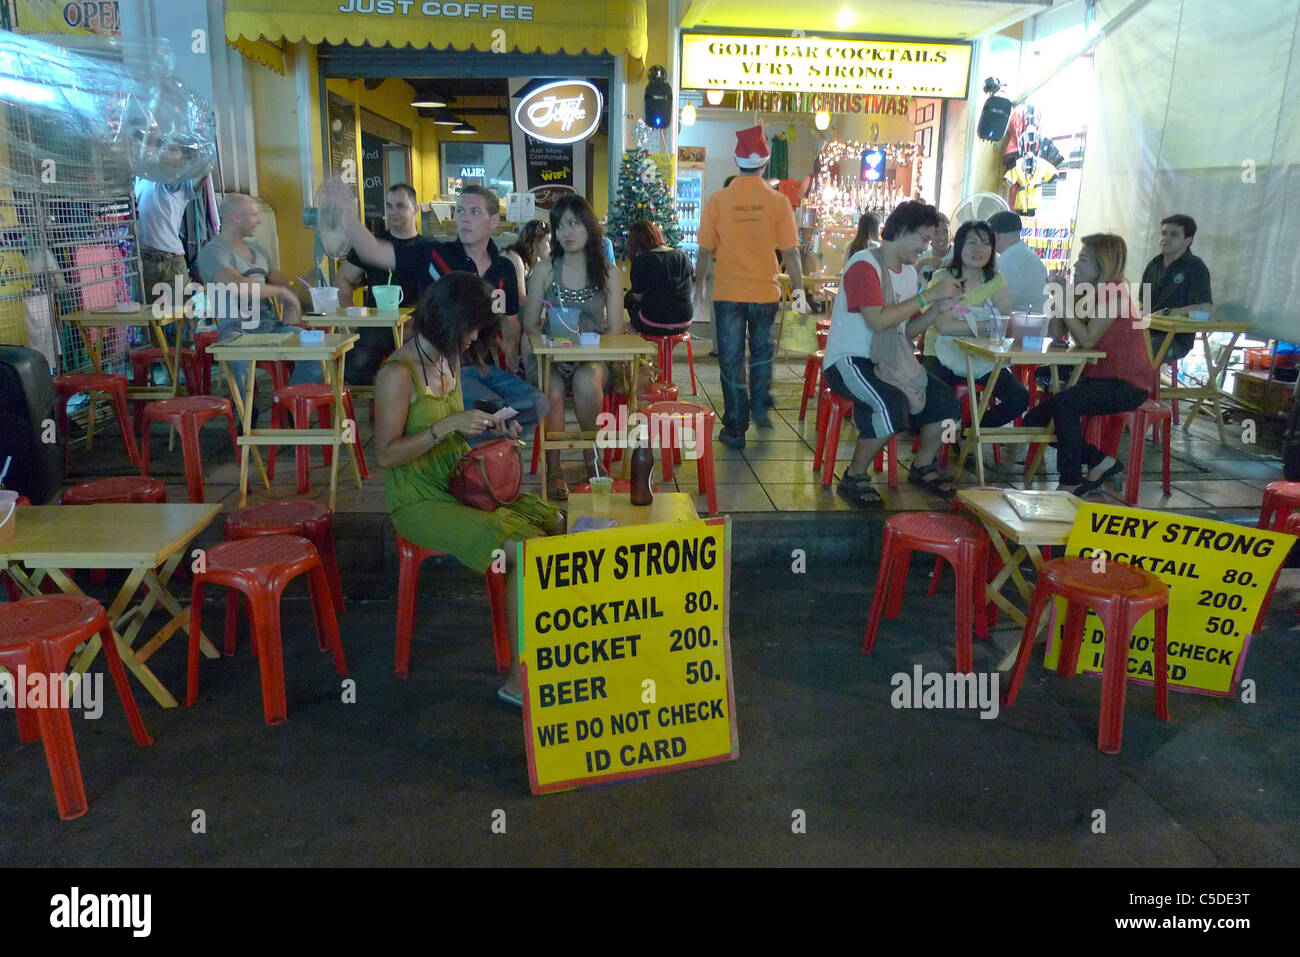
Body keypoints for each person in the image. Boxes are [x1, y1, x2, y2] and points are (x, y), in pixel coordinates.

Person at [372, 272, 562, 706]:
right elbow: (385, 455)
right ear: (446, 320)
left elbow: (455, 430)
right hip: (417, 501)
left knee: (555, 522)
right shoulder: (397, 374)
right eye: (471, 326)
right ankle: (519, 681)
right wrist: (448, 425)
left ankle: (547, 653)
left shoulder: (449, 358)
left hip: (457, 482)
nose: (475, 335)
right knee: (527, 550)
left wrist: (492, 424)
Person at [334, 183, 549, 448]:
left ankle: (474, 447)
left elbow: (510, 322)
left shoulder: (503, 268)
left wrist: (513, 359)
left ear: (494, 220)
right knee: (491, 410)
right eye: (460, 211)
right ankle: (470, 451)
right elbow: (373, 252)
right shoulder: (434, 255)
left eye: (474, 212)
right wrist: (345, 215)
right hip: (440, 369)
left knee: (536, 402)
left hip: (483, 364)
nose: (464, 218)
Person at [822, 200, 963, 507]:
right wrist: (928, 296)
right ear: (900, 231)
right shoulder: (864, 264)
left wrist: (936, 308)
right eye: (923, 238)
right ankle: (854, 476)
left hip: (890, 360)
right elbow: (878, 320)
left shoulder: (909, 274)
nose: (925, 246)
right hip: (850, 360)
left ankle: (923, 466)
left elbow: (905, 332)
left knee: (946, 403)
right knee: (890, 406)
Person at [694, 125, 804, 449]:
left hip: (727, 291)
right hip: (765, 292)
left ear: (735, 160)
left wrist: (698, 286)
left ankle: (736, 426)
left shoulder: (719, 200)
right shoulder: (778, 201)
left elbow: (703, 252)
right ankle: (758, 405)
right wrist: (799, 291)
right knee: (760, 353)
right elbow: (791, 253)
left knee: (730, 359)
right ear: (766, 161)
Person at [1022, 234, 1153, 495]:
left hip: (1127, 384)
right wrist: (1058, 298)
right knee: (1034, 420)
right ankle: (1099, 460)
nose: (1075, 265)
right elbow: (1055, 333)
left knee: (1064, 405)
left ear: (1101, 265)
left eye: (1083, 260)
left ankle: (1070, 479)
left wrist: (1063, 302)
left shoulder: (1114, 293)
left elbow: (1087, 338)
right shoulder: (1088, 293)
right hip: (1097, 378)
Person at [521, 194, 624, 499]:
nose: (566, 232)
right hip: (550, 356)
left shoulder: (608, 274)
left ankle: (590, 455)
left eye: (574, 223)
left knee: (586, 380)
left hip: (592, 357)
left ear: (589, 227)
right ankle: (553, 468)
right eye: (560, 225)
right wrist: (552, 342)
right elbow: (529, 325)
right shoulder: (545, 270)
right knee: (551, 389)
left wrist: (586, 347)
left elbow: (616, 331)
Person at [196, 194, 322, 393]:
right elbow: (238, 285)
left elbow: (275, 277)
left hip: (269, 325)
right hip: (236, 329)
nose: (259, 219)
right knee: (240, 369)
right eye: (254, 215)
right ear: (236, 218)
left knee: (314, 347)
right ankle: (246, 417)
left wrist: (294, 292)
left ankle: (291, 405)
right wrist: (283, 293)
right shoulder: (213, 252)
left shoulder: (257, 249)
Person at [922, 220, 1028, 430]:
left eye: (985, 243)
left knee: (1019, 398)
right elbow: (944, 327)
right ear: (959, 246)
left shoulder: (996, 280)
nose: (978, 249)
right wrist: (988, 325)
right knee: (944, 403)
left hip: (982, 357)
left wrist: (968, 323)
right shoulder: (942, 278)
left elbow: (1006, 325)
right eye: (971, 243)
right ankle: (939, 450)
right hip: (939, 355)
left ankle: (970, 434)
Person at [334, 184, 431, 385]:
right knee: (353, 372)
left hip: (416, 323)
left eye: (401, 206)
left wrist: (421, 321)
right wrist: (350, 319)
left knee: (428, 366)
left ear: (415, 209)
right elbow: (342, 279)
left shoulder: (429, 249)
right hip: (377, 323)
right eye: (389, 206)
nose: (393, 211)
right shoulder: (369, 245)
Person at [135, 144, 210, 308]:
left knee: (182, 314)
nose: (164, 149)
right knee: (150, 318)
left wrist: (198, 150)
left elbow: (204, 171)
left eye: (173, 149)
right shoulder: (143, 178)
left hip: (172, 261)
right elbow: (144, 154)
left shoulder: (181, 186)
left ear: (181, 162)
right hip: (145, 261)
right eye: (164, 146)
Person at [1139, 213, 1213, 363]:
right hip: (1145, 330)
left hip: (1174, 338)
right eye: (1164, 233)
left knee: (1142, 354)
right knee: (1111, 344)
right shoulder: (1154, 264)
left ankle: (1142, 386)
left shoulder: (1195, 267)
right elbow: (1142, 303)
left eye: (1173, 234)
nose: (1165, 238)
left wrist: (1167, 313)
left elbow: (1205, 308)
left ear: (1187, 241)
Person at [624, 219, 694, 337]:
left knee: (628, 308)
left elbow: (638, 297)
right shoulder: (682, 256)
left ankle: (639, 351)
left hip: (652, 322)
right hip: (684, 320)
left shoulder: (642, 261)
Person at [987, 210, 1049, 314]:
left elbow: (997, 302)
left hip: (1021, 325)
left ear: (995, 236)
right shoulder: (1031, 257)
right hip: (1038, 324)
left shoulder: (1006, 263)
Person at [503, 219, 551, 329]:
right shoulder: (515, 259)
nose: (550, 248)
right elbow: (522, 300)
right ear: (535, 241)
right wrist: (548, 304)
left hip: (514, 315)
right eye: (548, 242)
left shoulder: (536, 261)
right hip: (502, 317)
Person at [914, 211, 949, 284]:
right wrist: (921, 263)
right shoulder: (921, 258)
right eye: (936, 233)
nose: (942, 237)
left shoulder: (959, 255)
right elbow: (909, 283)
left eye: (946, 231)